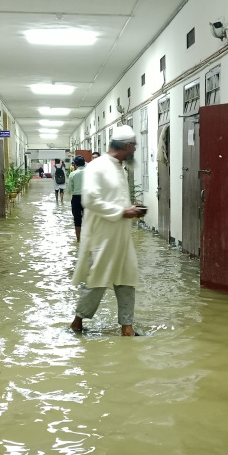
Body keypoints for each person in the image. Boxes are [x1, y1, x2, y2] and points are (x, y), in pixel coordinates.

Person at [71, 126, 144, 337]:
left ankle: (127, 328)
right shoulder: (98, 166)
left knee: (128, 278)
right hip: (102, 237)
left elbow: (114, 198)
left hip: (122, 237)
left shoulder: (119, 167)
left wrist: (131, 208)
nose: (135, 150)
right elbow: (90, 200)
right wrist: (122, 211)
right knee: (97, 280)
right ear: (126, 146)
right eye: (133, 146)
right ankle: (77, 323)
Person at [67, 155, 87, 242]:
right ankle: (87, 239)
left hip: (76, 198)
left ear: (75, 164)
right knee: (88, 218)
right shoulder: (90, 173)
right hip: (88, 197)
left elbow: (70, 188)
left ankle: (78, 240)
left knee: (77, 219)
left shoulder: (73, 174)